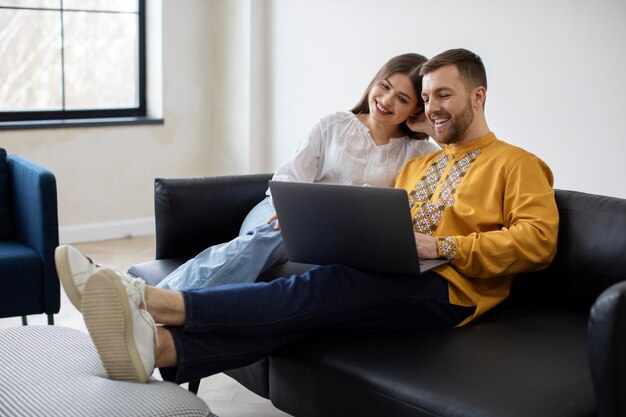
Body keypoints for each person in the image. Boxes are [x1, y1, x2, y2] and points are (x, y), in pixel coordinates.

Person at [56, 48, 559, 387]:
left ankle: (153, 302)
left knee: (314, 293)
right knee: (311, 299)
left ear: (479, 95)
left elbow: (538, 242)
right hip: (397, 268)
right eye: (425, 99)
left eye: (442, 95)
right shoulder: (423, 160)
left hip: (449, 290)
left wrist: (440, 246)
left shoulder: (517, 163)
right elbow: (390, 218)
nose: (432, 107)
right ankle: (159, 350)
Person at [154, 52, 439, 291]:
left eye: (402, 99)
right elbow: (289, 178)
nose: (387, 100)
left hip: (344, 235)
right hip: (281, 212)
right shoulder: (334, 124)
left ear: (417, 108)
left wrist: (427, 128)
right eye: (385, 86)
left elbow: (455, 162)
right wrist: (292, 213)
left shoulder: (420, 153)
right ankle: (163, 296)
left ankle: (161, 300)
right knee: (276, 235)